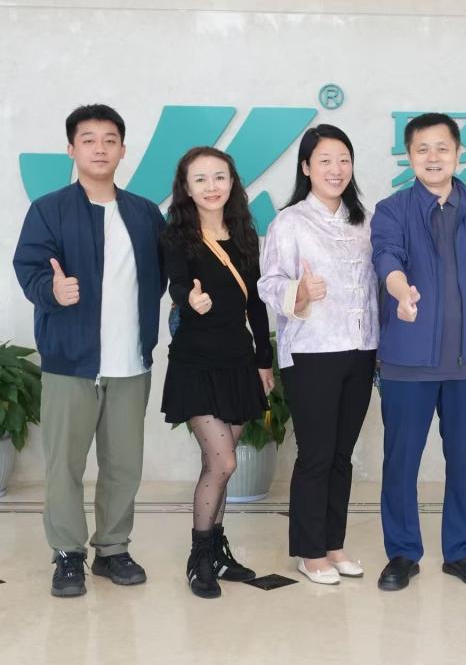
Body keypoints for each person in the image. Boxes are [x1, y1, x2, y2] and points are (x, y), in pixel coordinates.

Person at [13, 104, 166, 597]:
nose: (100, 149)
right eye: (88, 140)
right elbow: (30, 267)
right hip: (70, 362)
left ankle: (113, 549)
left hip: (130, 362)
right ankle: (67, 554)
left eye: (109, 140)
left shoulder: (145, 213)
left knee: (124, 464)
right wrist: (52, 291)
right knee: (64, 465)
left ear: (123, 150)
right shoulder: (49, 209)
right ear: (71, 149)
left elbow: (161, 277)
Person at [371, 112, 466, 591]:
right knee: (401, 461)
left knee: (464, 461)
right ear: (409, 156)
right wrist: (400, 291)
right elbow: (386, 257)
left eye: (442, 148)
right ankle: (402, 553)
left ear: (457, 153)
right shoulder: (392, 209)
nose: (433, 157)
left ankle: (461, 552)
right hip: (408, 359)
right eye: (422, 149)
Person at [257, 125, 378, 585]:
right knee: (316, 454)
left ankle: (333, 544)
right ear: (306, 167)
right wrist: (300, 292)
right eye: (325, 160)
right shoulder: (289, 222)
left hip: (361, 349)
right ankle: (309, 552)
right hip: (312, 352)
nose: (336, 169)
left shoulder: (364, 221)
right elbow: (268, 283)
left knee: (342, 455)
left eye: (343, 159)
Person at [161, 146, 273, 598]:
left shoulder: (244, 234)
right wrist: (190, 298)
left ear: (232, 182)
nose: (212, 187)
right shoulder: (177, 236)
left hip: (238, 361)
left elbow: (257, 303)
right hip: (196, 362)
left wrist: (263, 360)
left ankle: (217, 552)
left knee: (218, 465)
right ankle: (199, 557)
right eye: (201, 179)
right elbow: (176, 282)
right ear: (186, 188)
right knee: (224, 461)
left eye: (220, 177)